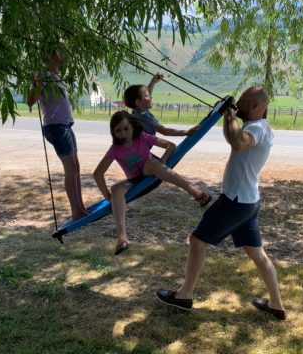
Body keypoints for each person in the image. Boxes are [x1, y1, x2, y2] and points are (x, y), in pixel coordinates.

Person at [155, 85, 287, 321]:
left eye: (242, 102)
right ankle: (276, 305)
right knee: (257, 253)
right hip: (247, 201)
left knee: (197, 241)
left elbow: (238, 142)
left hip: (235, 201)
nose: (239, 105)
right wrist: (228, 115)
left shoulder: (257, 128)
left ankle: (184, 295)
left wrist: (230, 116)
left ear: (255, 105)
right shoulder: (259, 126)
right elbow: (233, 139)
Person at [93, 110, 212, 255]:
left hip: (152, 173)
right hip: (134, 182)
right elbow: (97, 174)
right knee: (116, 188)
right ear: (113, 133)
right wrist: (108, 197)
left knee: (150, 163)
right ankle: (122, 238)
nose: (123, 133)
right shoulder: (115, 149)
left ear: (132, 126)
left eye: (126, 128)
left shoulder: (142, 137)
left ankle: (197, 193)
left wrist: (163, 160)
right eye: (118, 131)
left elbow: (170, 145)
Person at [27, 50, 89, 221]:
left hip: (66, 125)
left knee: (76, 166)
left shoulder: (57, 76)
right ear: (50, 56)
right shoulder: (43, 76)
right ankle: (76, 211)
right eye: (58, 53)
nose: (63, 56)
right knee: (70, 168)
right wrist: (36, 82)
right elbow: (30, 101)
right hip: (55, 126)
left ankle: (81, 207)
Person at [123, 73, 198, 137]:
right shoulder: (146, 117)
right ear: (138, 102)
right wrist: (186, 132)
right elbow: (164, 131)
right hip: (142, 149)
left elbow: (146, 93)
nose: (150, 97)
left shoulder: (136, 111)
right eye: (147, 96)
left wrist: (153, 82)